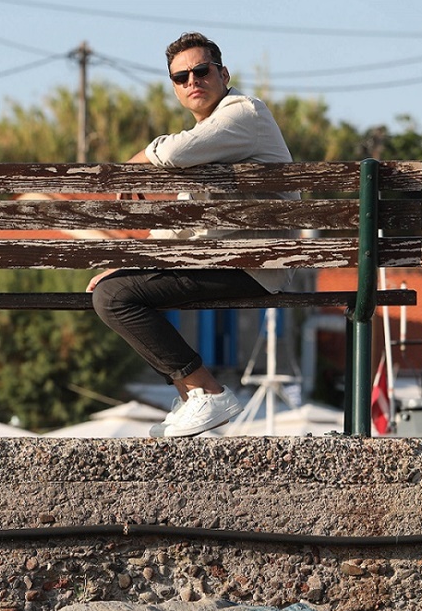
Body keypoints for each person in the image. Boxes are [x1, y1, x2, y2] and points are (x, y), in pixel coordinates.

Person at [87, 32, 296, 438]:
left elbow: (172, 152)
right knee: (114, 290)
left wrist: (137, 162)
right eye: (180, 77)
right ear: (174, 87)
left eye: (201, 71)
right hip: (224, 261)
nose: (192, 81)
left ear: (223, 74)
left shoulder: (245, 113)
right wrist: (130, 264)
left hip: (252, 264)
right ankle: (193, 396)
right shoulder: (210, 141)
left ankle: (207, 392)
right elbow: (181, 225)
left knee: (114, 297)